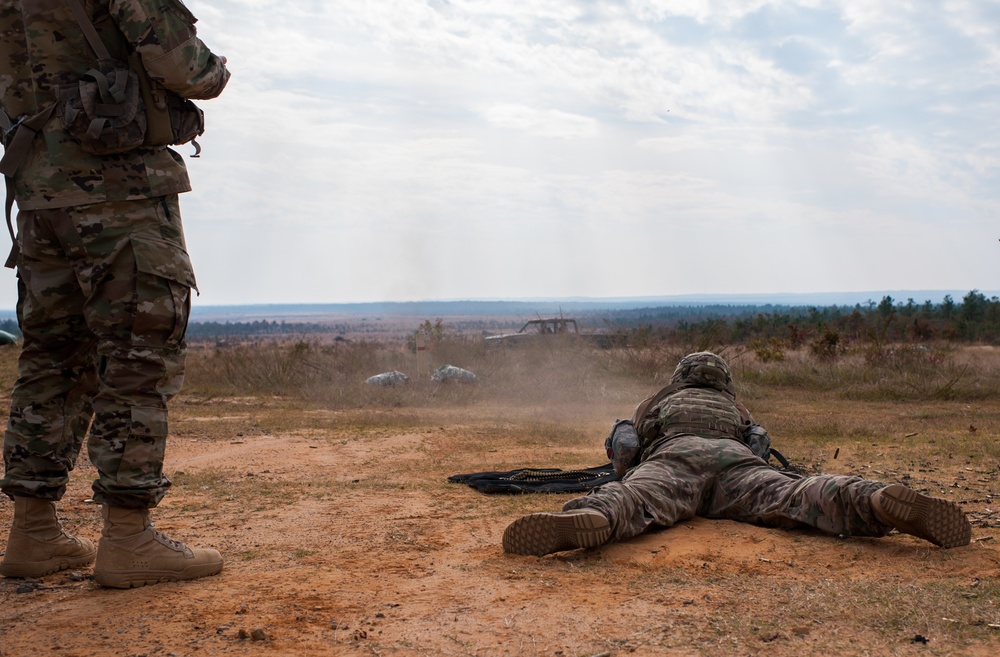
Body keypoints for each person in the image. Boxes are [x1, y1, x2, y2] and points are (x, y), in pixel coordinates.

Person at [0, 0, 229, 587]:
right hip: (118, 193)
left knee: (51, 357)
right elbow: (190, 70)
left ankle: (34, 533)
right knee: (137, 356)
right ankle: (128, 539)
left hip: (38, 196)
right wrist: (217, 68)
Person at [503, 351, 972, 557]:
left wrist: (628, 469)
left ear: (681, 376)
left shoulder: (658, 402)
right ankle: (868, 498)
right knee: (797, 496)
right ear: (724, 383)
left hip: (674, 460)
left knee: (633, 498)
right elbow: (759, 447)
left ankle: (595, 519)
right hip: (737, 464)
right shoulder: (736, 408)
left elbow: (627, 447)